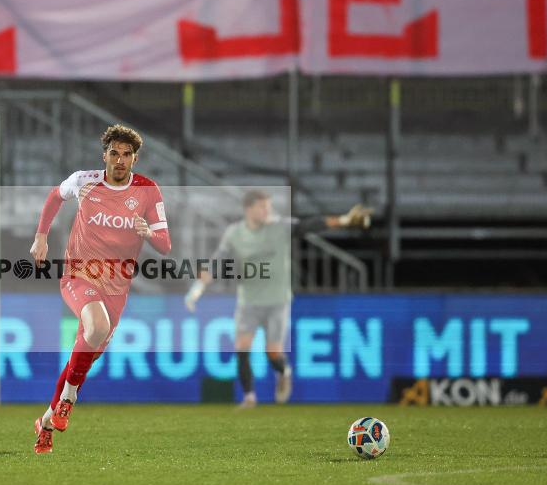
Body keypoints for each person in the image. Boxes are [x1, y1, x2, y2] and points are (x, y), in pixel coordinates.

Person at [29, 124, 171, 454]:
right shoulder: (85, 181)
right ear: (104, 154)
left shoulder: (149, 191)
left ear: (134, 159)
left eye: (126, 155)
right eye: (114, 153)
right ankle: (69, 399)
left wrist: (147, 231)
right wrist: (41, 237)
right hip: (79, 275)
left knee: (83, 355)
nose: (119, 160)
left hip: (117, 286)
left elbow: (165, 244)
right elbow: (54, 196)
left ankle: (47, 422)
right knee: (97, 327)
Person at [184, 190, 371, 407]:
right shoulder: (234, 233)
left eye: (268, 206)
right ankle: (249, 397)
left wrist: (344, 220)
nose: (267, 211)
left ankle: (284, 373)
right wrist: (196, 290)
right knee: (242, 347)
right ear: (248, 209)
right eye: (262, 207)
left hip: (277, 301)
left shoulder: (279, 227)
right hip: (249, 301)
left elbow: (310, 225)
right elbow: (217, 261)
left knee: (273, 352)